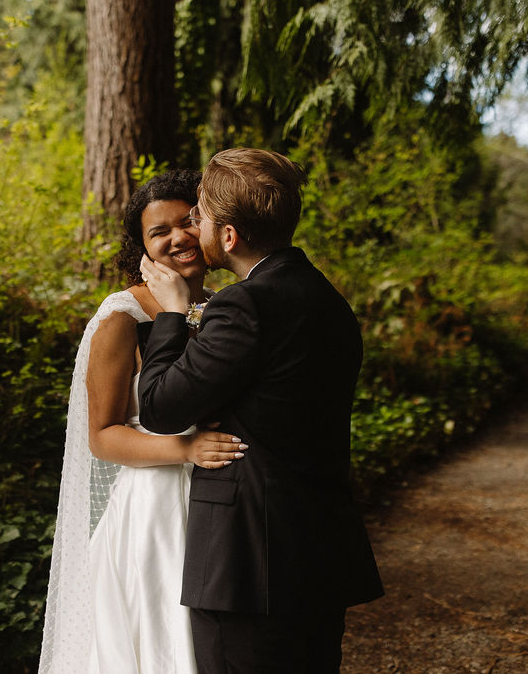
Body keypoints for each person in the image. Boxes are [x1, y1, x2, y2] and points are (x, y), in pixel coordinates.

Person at [138, 148, 384, 673]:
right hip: (320, 549)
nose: (193, 228)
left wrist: (174, 315)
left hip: (249, 563)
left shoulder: (243, 305)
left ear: (229, 236)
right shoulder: (328, 300)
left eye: (199, 217)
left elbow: (159, 407)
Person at [38, 169, 247, 674]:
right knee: (164, 638)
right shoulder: (122, 318)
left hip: (222, 496)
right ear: (142, 250)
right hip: (154, 508)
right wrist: (185, 449)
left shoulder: (222, 307)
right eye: (159, 232)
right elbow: (103, 437)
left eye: (186, 222)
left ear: (209, 226)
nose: (177, 237)